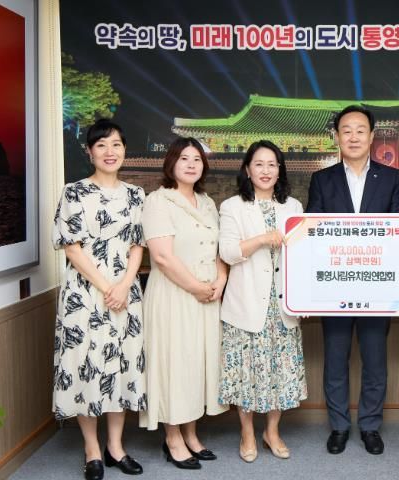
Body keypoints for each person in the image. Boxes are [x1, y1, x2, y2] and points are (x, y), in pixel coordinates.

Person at [306, 105, 399, 455]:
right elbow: (313, 230)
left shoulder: (391, 178)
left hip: (377, 287)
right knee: (336, 359)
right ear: (336, 136)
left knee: (375, 360)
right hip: (335, 285)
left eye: (360, 130)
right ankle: (338, 426)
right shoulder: (322, 179)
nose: (353, 137)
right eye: (346, 130)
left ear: (371, 136)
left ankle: (370, 426)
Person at [52, 119, 145, 480]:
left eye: (116, 144)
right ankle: (92, 448)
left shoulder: (136, 194)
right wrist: (107, 287)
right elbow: (72, 248)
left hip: (126, 292)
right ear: (89, 152)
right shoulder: (73, 192)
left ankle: (116, 447)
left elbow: (138, 245)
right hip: (84, 294)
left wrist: (124, 285)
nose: (110, 151)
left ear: (125, 150)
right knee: (85, 365)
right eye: (102, 145)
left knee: (121, 365)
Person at [140, 137, 229, 470]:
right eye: (184, 159)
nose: (192, 164)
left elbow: (220, 248)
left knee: (197, 364)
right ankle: (173, 437)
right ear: (171, 163)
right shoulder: (158, 201)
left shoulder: (207, 202)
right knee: (175, 364)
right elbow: (162, 256)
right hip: (175, 295)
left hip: (206, 295)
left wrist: (219, 280)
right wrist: (196, 288)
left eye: (197, 159)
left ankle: (191, 433)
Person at [217, 140, 307, 463]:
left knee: (279, 373)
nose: (266, 171)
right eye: (259, 164)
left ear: (280, 170)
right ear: (247, 169)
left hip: (282, 305)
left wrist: (304, 298)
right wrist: (262, 239)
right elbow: (228, 252)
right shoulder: (232, 206)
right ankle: (246, 433)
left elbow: (303, 254)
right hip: (246, 303)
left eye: (272, 164)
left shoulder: (293, 207)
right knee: (246, 373)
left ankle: (272, 431)